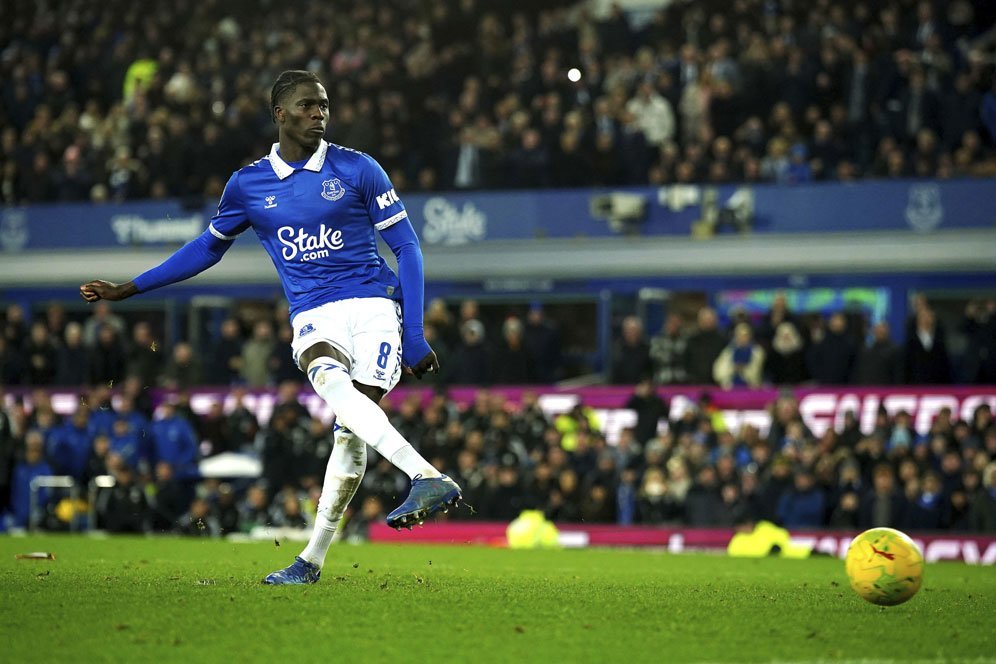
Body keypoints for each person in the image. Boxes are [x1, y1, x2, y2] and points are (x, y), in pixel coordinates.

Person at [79, 70, 461, 584]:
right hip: (312, 313)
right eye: (307, 106)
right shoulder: (248, 184)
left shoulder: (358, 168)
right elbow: (206, 247)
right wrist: (132, 287)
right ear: (280, 114)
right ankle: (427, 476)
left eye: (324, 105)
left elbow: (409, 248)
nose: (318, 114)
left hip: (374, 305)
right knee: (331, 384)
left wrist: (413, 333)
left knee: (350, 434)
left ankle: (311, 562)